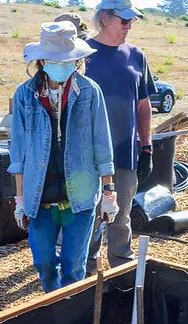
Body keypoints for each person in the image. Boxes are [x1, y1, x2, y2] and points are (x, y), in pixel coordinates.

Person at [9, 22, 116, 293]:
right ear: (42, 60)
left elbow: (101, 144)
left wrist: (109, 192)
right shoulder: (25, 95)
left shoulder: (90, 92)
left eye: (69, 60)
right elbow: (19, 150)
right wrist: (20, 199)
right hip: (40, 195)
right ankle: (51, 299)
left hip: (79, 195)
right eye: (56, 60)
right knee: (44, 262)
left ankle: (69, 312)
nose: (63, 65)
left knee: (74, 264)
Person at [84, 0, 157, 273]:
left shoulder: (136, 55)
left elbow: (143, 105)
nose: (129, 26)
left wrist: (147, 148)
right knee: (88, 215)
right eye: (124, 20)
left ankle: (121, 271)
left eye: (132, 21)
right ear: (104, 18)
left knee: (121, 216)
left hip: (125, 151)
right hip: (88, 154)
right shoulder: (84, 53)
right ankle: (86, 272)